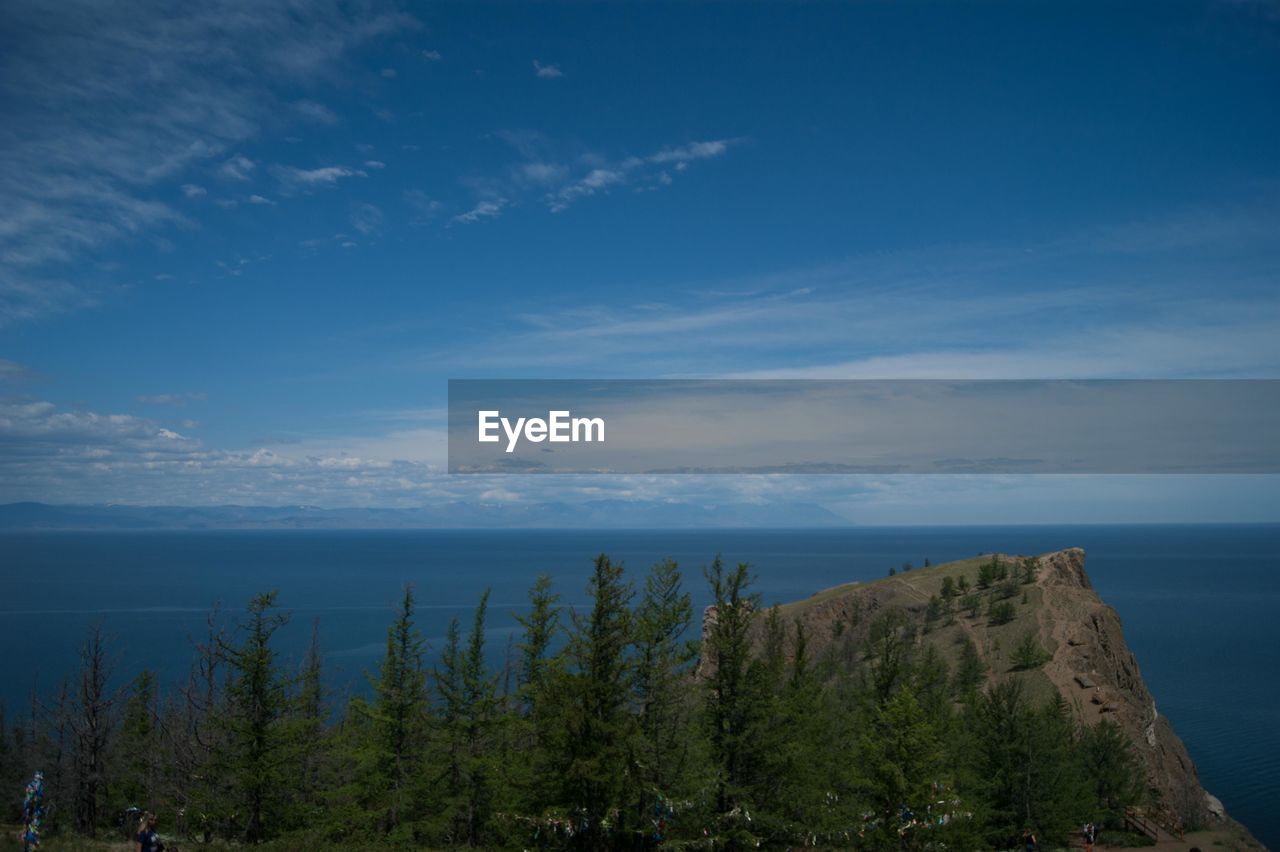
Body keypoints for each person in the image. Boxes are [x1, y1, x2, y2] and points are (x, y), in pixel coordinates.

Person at [21, 770, 44, 851]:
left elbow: (39, 798)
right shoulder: (31, 786)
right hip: (30, 812)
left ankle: (31, 846)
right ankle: (29, 847)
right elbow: (29, 799)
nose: (38, 781)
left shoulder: (39, 786)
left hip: (34, 812)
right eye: (38, 778)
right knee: (28, 832)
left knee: (32, 831)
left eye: (39, 779)